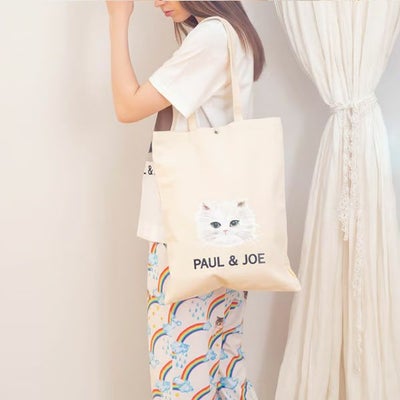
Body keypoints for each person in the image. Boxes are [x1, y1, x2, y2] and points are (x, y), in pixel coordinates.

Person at [106, 1, 265, 398]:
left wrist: (118, 17)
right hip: (225, 237)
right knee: (225, 368)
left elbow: (127, 106)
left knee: (180, 377)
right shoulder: (230, 33)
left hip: (184, 236)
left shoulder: (210, 38)